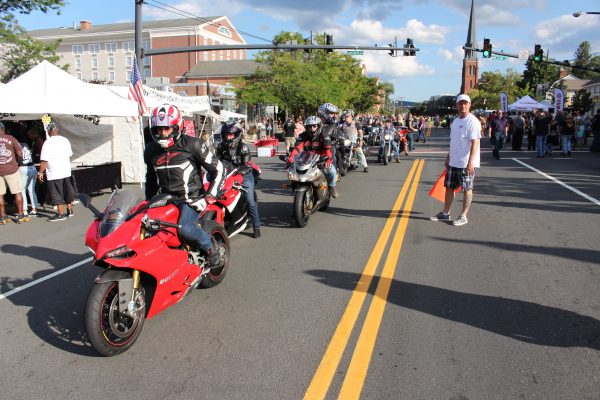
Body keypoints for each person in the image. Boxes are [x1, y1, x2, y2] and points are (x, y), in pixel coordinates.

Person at [144, 104, 225, 266]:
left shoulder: (193, 144)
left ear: (176, 126)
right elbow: (150, 179)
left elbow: (218, 168)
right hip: (165, 199)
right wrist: (148, 203)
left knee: (185, 229)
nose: (163, 133)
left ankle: (210, 248)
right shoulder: (151, 150)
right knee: (146, 229)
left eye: (166, 128)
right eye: (158, 129)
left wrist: (210, 195)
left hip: (191, 199)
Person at [430, 94, 481, 227]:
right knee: (449, 187)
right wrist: (448, 156)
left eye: (465, 103)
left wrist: (471, 162)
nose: (463, 106)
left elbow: (475, 143)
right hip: (454, 161)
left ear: (469, 105)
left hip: (466, 163)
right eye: (460, 103)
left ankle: (463, 215)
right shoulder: (456, 121)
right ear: (457, 105)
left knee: (467, 189)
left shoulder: (473, 121)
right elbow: (454, 141)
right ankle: (445, 213)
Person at [215, 122, 261, 238]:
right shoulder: (220, 146)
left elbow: (247, 164)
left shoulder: (243, 147)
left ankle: (256, 226)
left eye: (231, 134)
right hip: (226, 174)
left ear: (237, 135)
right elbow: (217, 162)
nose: (228, 137)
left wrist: (238, 172)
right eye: (226, 134)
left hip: (244, 174)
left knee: (250, 200)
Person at [288, 103, 339, 198]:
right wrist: (291, 158)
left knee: (331, 172)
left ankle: (332, 186)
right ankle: (295, 188)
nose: (312, 128)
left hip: (321, 159)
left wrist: (328, 160)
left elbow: (328, 149)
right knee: (292, 172)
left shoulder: (324, 135)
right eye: (310, 126)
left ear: (318, 126)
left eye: (314, 126)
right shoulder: (303, 136)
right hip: (307, 159)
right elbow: (297, 148)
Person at [37, 122, 77, 221]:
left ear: (49, 131)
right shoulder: (65, 140)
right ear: (57, 130)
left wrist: (40, 172)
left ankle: (60, 214)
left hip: (54, 172)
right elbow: (69, 154)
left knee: (56, 193)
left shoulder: (48, 143)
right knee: (67, 190)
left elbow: (44, 160)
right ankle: (70, 209)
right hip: (65, 170)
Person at [0, 122, 30, 224]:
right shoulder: (11, 138)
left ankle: (3, 217)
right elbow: (20, 154)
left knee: (0, 195)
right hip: (11, 169)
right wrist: (17, 160)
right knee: (17, 192)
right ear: (3, 129)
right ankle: (20, 215)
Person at [18, 138, 39, 216]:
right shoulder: (25, 145)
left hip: (23, 168)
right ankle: (34, 209)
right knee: (31, 190)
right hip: (32, 167)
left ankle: (24, 210)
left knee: (22, 190)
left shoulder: (16, 146)